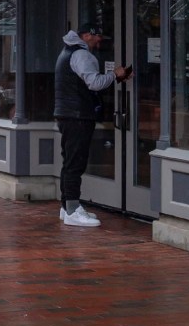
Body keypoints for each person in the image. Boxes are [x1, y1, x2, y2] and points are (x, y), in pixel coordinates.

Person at [53, 23, 131, 227]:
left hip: (67, 114)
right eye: (97, 37)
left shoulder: (67, 52)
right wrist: (115, 74)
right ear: (87, 35)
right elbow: (94, 83)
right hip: (78, 115)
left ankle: (66, 207)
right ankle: (72, 210)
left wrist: (115, 78)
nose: (99, 41)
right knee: (75, 162)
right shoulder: (81, 54)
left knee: (69, 160)